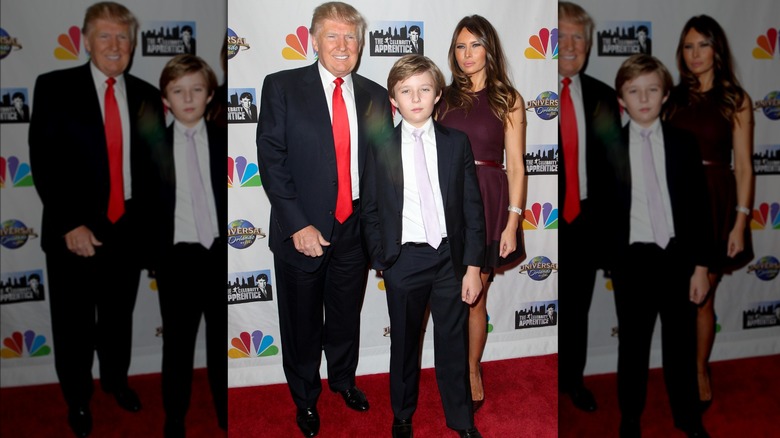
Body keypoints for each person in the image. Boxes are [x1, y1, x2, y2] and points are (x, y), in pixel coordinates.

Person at [27, 2, 166, 437]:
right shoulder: (53, 87)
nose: (115, 45)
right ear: (86, 40)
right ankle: (78, 400)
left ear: (133, 44)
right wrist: (70, 224)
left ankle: (115, 382)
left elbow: (154, 170)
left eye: (123, 38)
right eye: (105, 36)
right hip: (74, 231)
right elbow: (44, 161)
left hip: (126, 229)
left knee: (117, 319)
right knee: (72, 324)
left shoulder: (145, 93)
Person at [255, 2, 392, 437]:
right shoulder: (281, 86)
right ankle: (305, 399)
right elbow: (271, 160)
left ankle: (344, 380)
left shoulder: (373, 94)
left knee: (345, 315)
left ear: (361, 44)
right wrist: (297, 224)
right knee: (300, 322)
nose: (342, 45)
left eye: (351, 37)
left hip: (354, 230)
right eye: (332, 36)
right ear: (313, 40)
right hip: (303, 231)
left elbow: (382, 166)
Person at [362, 53, 486, 438]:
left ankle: (462, 420)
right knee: (403, 344)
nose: (415, 98)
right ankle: (402, 414)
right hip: (405, 259)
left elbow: (472, 207)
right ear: (394, 99)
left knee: (454, 341)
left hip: (450, 256)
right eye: (406, 91)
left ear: (437, 95)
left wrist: (472, 266)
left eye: (424, 89)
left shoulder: (456, 143)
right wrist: (384, 258)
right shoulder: (380, 146)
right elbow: (369, 208)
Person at [611, 53, 712, 438]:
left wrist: (701, 265)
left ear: (666, 94)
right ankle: (631, 417)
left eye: (652, 89)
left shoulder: (685, 143)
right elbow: (604, 209)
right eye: (634, 91)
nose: (644, 98)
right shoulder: (611, 147)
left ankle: (687, 416)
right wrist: (615, 260)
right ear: (622, 97)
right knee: (632, 348)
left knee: (681, 346)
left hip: (679, 259)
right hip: (633, 261)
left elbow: (700, 209)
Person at [435, 14, 526, 413]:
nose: (467, 54)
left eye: (475, 44)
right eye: (460, 46)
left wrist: (513, 221)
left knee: (475, 296)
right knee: (442, 294)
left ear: (489, 48)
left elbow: (518, 166)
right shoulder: (443, 95)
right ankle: (450, 368)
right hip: (446, 201)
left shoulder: (509, 98)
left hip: (489, 202)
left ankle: (472, 369)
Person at [664, 15, 754, 412]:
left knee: (703, 297)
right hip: (674, 203)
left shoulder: (736, 99)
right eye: (688, 46)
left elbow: (746, 166)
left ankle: (699, 369)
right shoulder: (673, 97)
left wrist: (740, 221)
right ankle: (679, 368)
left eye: (703, 44)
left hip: (716, 203)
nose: (695, 54)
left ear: (717, 49)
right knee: (676, 297)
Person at [155, 53, 227, 438]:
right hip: (177, 259)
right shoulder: (152, 147)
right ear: (166, 97)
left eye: (196, 89)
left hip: (218, 254)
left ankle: (224, 413)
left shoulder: (223, 140)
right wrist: (157, 258)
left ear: (210, 94)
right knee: (178, 347)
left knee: (219, 345)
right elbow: (147, 209)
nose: (187, 99)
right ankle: (175, 417)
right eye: (178, 91)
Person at [556, 1, 622, 413]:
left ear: (590, 43)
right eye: (561, 35)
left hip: (584, 223)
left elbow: (616, 171)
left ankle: (572, 380)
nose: (570, 44)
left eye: (579, 36)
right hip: (540, 223)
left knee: (577, 310)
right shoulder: (532, 94)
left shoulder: (604, 96)